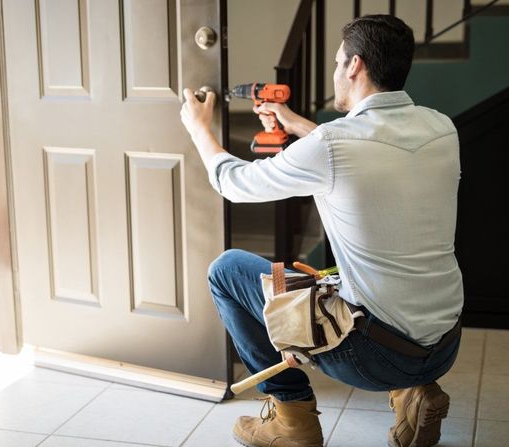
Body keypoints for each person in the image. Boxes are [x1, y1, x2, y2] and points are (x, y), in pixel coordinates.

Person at [180, 14, 463, 447]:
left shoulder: (332, 144)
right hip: (443, 344)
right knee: (344, 279)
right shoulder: (441, 127)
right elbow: (366, 157)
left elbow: (233, 184)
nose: (335, 71)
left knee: (227, 268)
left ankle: (291, 419)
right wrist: (298, 125)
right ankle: (415, 391)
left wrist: (200, 129)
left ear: (355, 66)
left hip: (373, 355)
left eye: (336, 62)